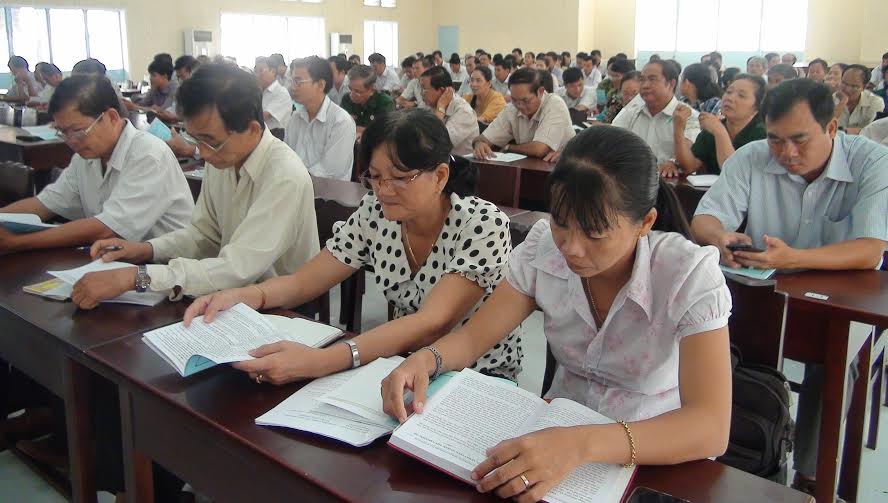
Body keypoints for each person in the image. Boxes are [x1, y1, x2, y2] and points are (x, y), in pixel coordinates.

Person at [380, 126, 732, 502]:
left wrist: (581, 445)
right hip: (552, 442)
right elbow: (471, 339)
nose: (572, 249)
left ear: (645, 223)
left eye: (595, 233)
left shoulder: (687, 274)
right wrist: (426, 359)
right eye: (563, 222)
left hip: (656, 460)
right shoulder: (543, 248)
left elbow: (709, 426)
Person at [183, 108, 522, 386]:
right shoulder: (376, 213)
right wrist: (245, 295)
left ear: (440, 176)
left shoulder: (481, 224)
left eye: (400, 177)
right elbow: (304, 282)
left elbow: (432, 321)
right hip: (401, 364)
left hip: (478, 375)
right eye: (374, 177)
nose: (383, 190)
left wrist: (323, 361)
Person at [691, 79, 888, 498]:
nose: (786, 154)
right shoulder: (751, 157)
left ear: (832, 128)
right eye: (776, 141)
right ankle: (728, 449)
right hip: (764, 294)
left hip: (839, 303)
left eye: (800, 140)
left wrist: (794, 258)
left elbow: (869, 250)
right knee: (711, 342)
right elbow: (705, 220)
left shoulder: (874, 162)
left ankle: (811, 474)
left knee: (831, 365)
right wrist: (720, 237)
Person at [70, 64, 320, 308]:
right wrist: (146, 250)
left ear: (252, 129)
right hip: (228, 297)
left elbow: (237, 267)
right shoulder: (223, 158)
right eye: (195, 139)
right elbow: (203, 235)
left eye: (210, 141)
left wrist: (138, 278)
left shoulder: (285, 176)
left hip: (280, 309)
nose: (202, 153)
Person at [0, 75, 193, 254]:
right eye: (62, 132)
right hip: (117, 260)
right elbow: (44, 204)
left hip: (168, 268)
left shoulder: (148, 154)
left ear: (111, 117)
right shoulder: (86, 157)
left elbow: (107, 229)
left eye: (77, 130)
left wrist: (18, 243)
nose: (71, 141)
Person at [665, 74, 766, 177]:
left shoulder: (763, 134)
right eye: (729, 92)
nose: (730, 98)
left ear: (757, 106)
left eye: (741, 96)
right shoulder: (712, 128)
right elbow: (689, 167)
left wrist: (719, 132)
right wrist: (678, 129)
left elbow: (734, 175)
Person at [472, 68, 575, 162]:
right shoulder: (511, 109)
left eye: (526, 100)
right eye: (514, 100)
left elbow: (539, 149)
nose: (519, 105)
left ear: (540, 92)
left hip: (563, 168)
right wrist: (479, 144)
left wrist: (508, 147)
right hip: (529, 167)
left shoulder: (554, 104)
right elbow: (482, 138)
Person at [613, 60, 701, 169]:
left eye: (652, 79)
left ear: (671, 83)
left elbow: (688, 162)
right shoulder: (631, 112)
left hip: (668, 182)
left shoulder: (690, 116)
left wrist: (673, 162)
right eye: (642, 80)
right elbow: (612, 143)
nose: (645, 85)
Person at [284, 56, 356, 181]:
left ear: (320, 84)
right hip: (296, 187)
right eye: (292, 81)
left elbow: (329, 171)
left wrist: (292, 180)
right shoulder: (295, 118)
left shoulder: (341, 121)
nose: (292, 87)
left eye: (298, 82)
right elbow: (286, 158)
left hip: (328, 195)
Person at [420, 66, 479, 156]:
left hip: (458, 165)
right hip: (436, 160)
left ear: (442, 90)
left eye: (424, 89)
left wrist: (441, 108)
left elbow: (438, 144)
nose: (421, 93)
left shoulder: (464, 112)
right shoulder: (428, 104)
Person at [340, 65, 396, 136]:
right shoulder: (346, 99)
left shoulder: (385, 102)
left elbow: (384, 133)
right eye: (350, 89)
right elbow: (339, 126)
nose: (352, 94)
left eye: (357, 91)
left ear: (372, 90)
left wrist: (354, 128)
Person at [834, 64, 885, 134]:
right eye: (844, 83)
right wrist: (842, 103)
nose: (847, 89)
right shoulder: (830, 99)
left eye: (854, 86)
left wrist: (841, 131)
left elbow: (873, 132)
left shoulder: (875, 102)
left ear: (864, 87)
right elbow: (825, 128)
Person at [253, 56, 293, 131]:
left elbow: (263, 117)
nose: (257, 75)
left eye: (261, 71)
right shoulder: (259, 92)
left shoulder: (281, 93)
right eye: (255, 71)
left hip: (275, 137)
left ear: (273, 71)